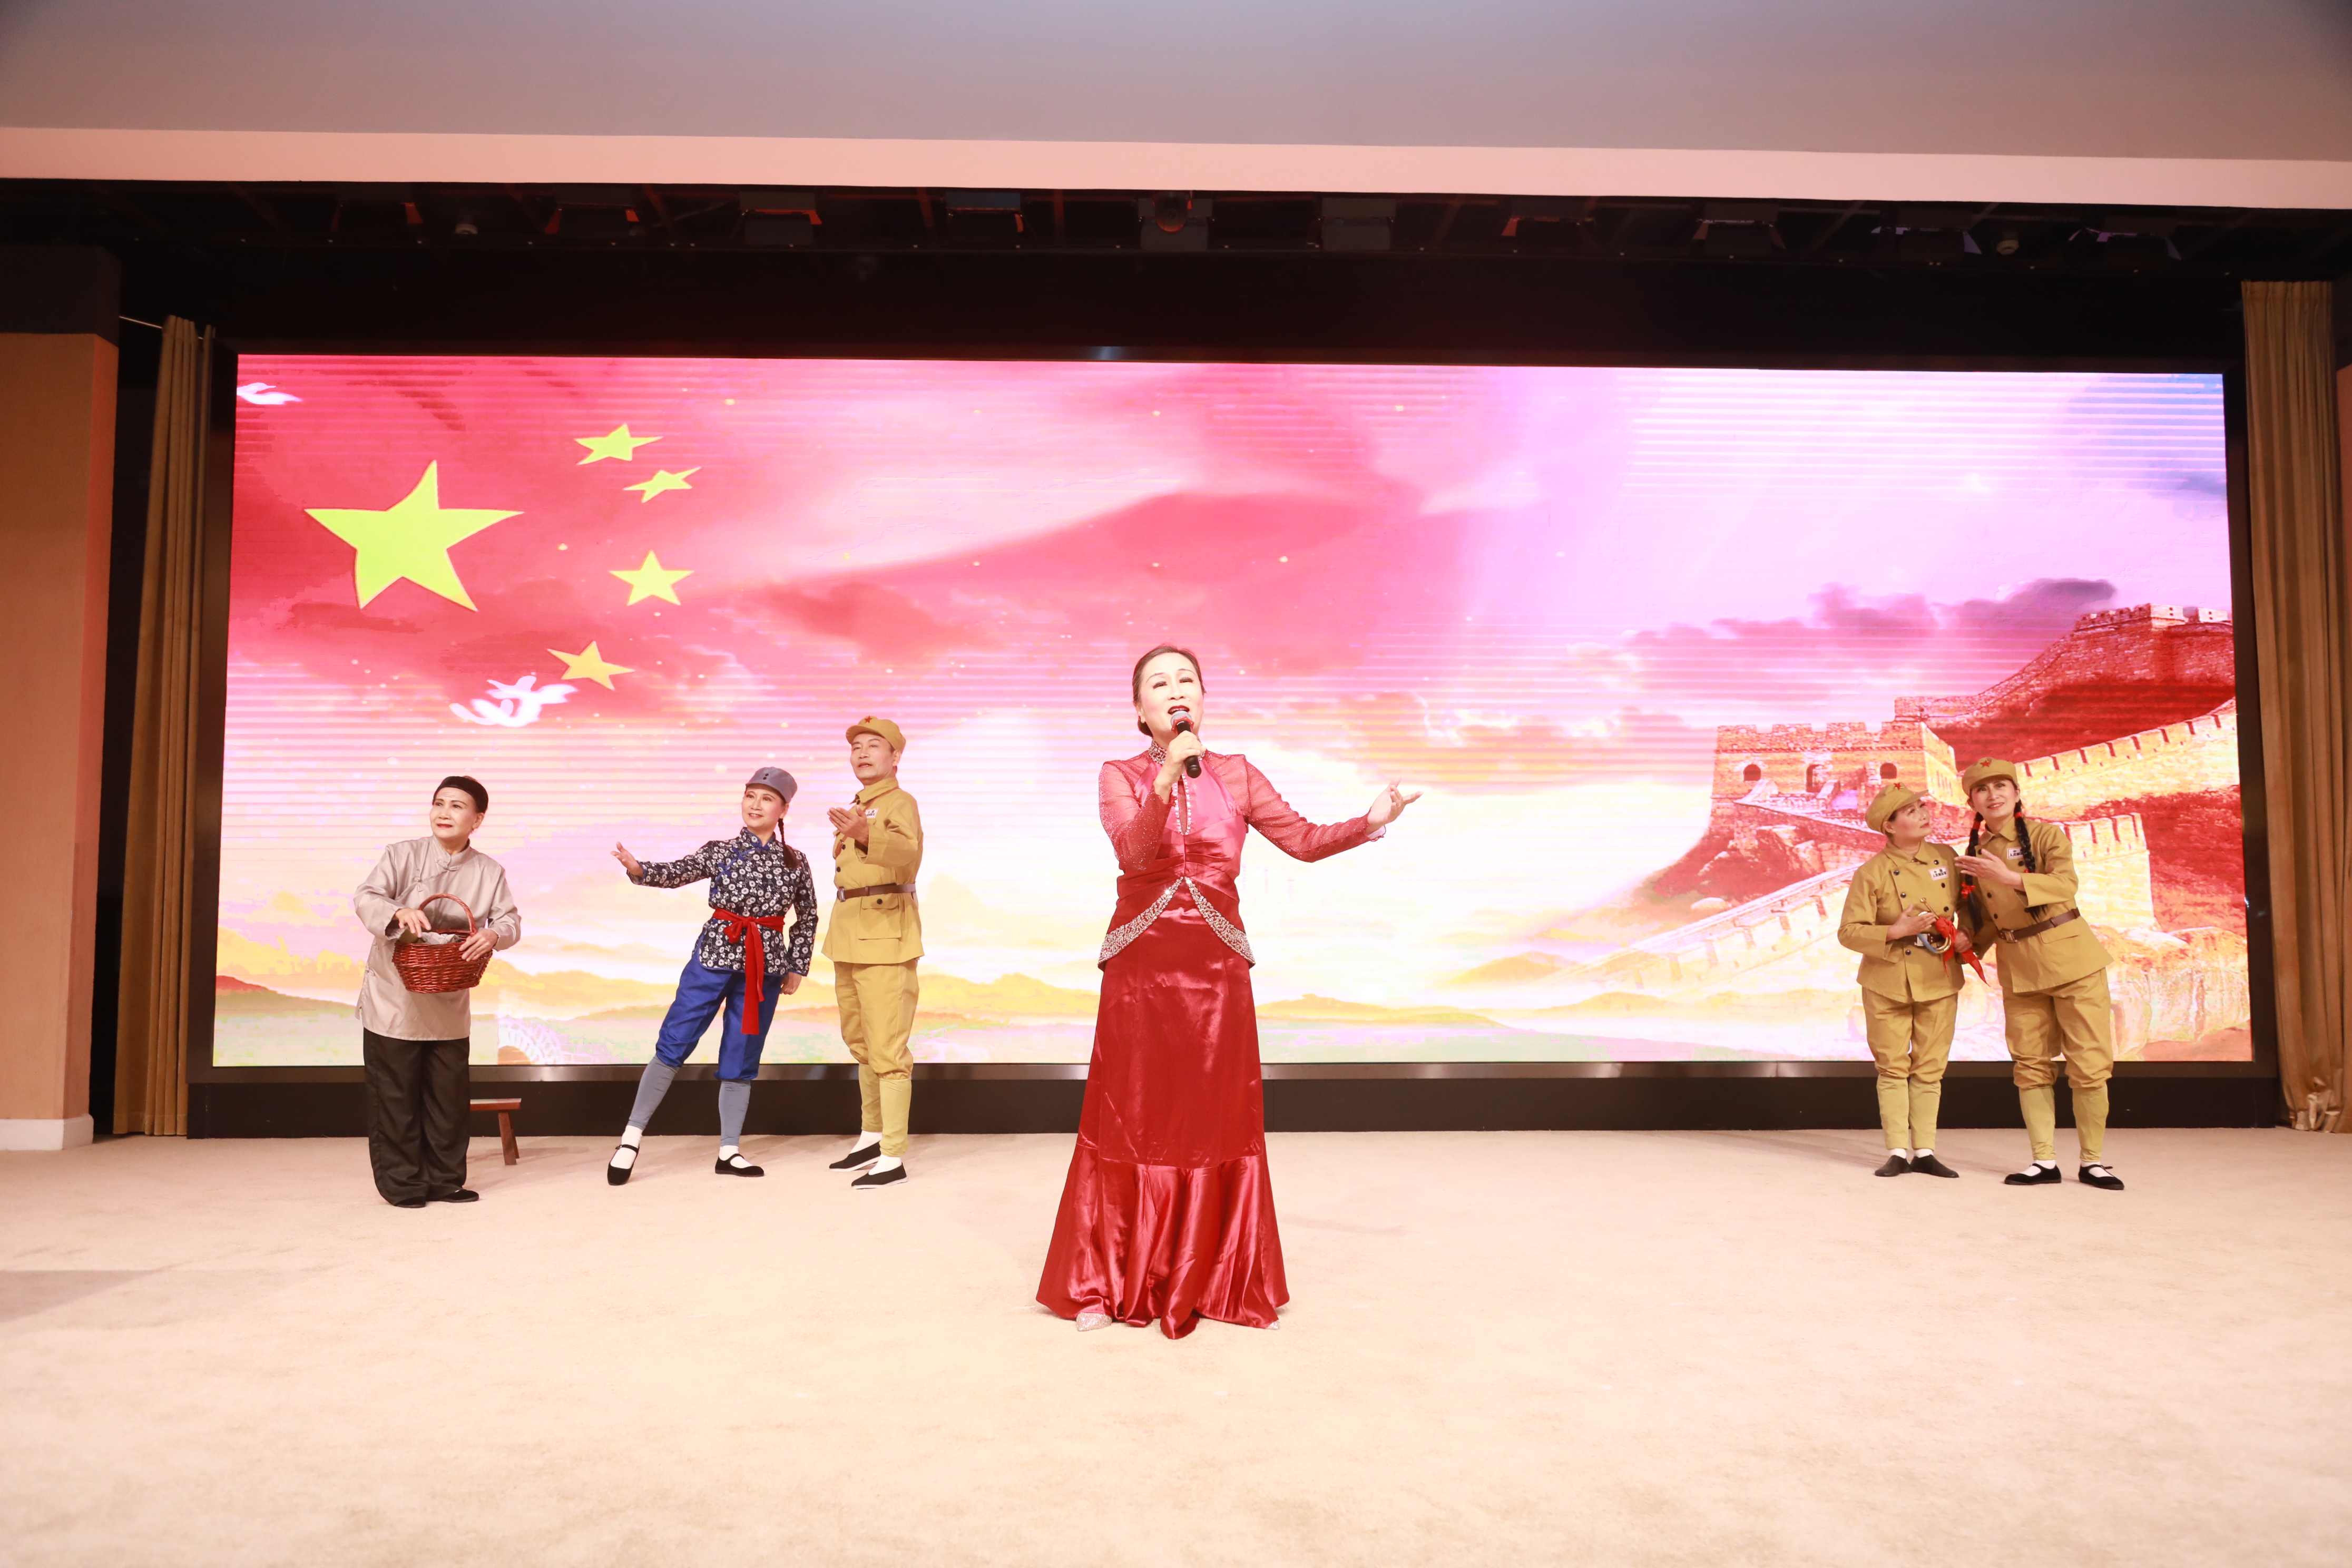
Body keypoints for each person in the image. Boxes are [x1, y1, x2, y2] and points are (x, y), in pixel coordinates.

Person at [1037, 644, 1420, 1337]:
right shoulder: (1119, 775)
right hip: (1141, 968)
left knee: (1212, 1119)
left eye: (1186, 680)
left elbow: (1303, 840)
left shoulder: (1238, 774)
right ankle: (1105, 1281)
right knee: (1129, 1114)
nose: (1175, 690)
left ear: (1203, 700)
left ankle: (1218, 1278)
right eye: (1159, 683)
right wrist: (1163, 782)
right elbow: (1133, 853)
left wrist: (1369, 822)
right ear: (1140, 709)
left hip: (1215, 970)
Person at [605, 768, 818, 1183]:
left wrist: (797, 965)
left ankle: (729, 1150)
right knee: (675, 1041)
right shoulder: (721, 850)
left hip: (764, 967)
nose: (755, 805)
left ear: (784, 809)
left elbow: (807, 916)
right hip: (714, 955)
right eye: (750, 795)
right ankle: (630, 1139)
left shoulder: (795, 861)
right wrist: (639, 869)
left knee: (743, 1053)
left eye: (767, 799)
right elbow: (678, 872)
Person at [1952, 758, 2126, 1192]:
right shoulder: (1973, 855)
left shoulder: (2047, 836)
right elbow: (1986, 918)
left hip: (2072, 961)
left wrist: (2008, 876)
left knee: (2089, 1066)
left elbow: (2066, 886)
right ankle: (2044, 1161)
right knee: (2030, 1066)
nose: (1992, 795)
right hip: (2020, 967)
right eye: (1981, 789)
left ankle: (2093, 1162)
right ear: (1972, 802)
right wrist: (1967, 942)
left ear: (2016, 793)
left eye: (2001, 786)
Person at [351, 775, 521, 1208]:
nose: (444, 813)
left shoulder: (489, 871)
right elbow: (367, 896)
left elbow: (509, 920)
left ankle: (445, 1181)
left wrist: (494, 935)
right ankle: (403, 1184)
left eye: (457, 806)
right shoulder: (401, 854)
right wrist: (399, 912)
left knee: (448, 1099)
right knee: (396, 1096)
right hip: (395, 995)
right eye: (439, 803)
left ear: (477, 820)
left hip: (448, 996)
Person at [1838, 783, 1970, 1179]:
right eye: (1911, 811)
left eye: (1922, 806)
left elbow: (1971, 905)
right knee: (1893, 1068)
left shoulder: (1947, 858)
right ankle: (1897, 1151)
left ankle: (1925, 1151)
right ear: (1890, 826)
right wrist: (1896, 931)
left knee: (1930, 1068)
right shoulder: (1871, 873)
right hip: (1887, 980)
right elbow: (1848, 932)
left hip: (1939, 974)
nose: (1924, 813)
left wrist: (1969, 935)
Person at [822, 718, 925, 1190]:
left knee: (888, 1051)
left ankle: (894, 1154)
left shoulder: (900, 803)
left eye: (874, 746)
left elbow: (905, 854)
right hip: (850, 935)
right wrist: (860, 826)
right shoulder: (858, 806)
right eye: (856, 747)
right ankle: (871, 1135)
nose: (862, 753)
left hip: (885, 937)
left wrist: (866, 833)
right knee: (861, 1043)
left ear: (895, 757)